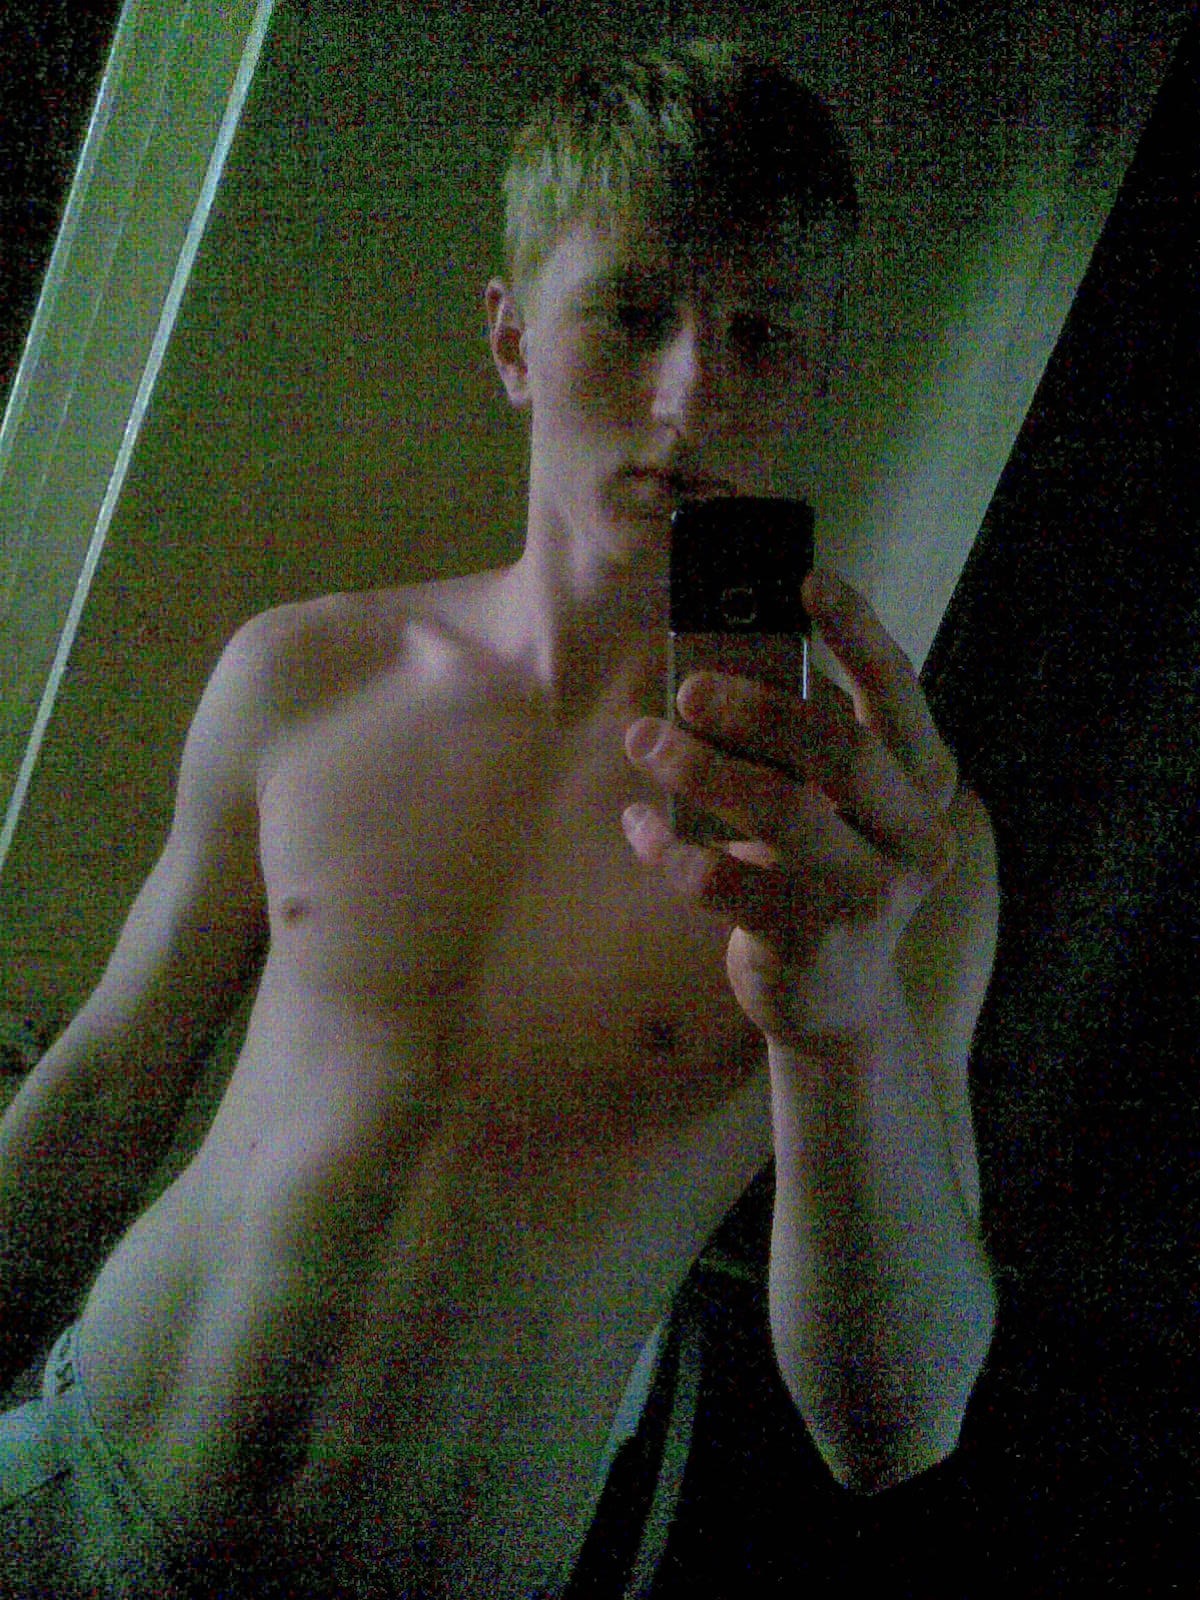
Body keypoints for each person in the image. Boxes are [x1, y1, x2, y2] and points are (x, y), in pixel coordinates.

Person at [0, 38, 998, 1599]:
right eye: (635, 313)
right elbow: (108, 1088)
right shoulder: (306, 675)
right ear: (514, 339)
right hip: (75, 1476)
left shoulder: (881, 849)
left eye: (757, 334)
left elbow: (896, 1424)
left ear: (813, 376)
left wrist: (839, 1021)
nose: (688, 393)